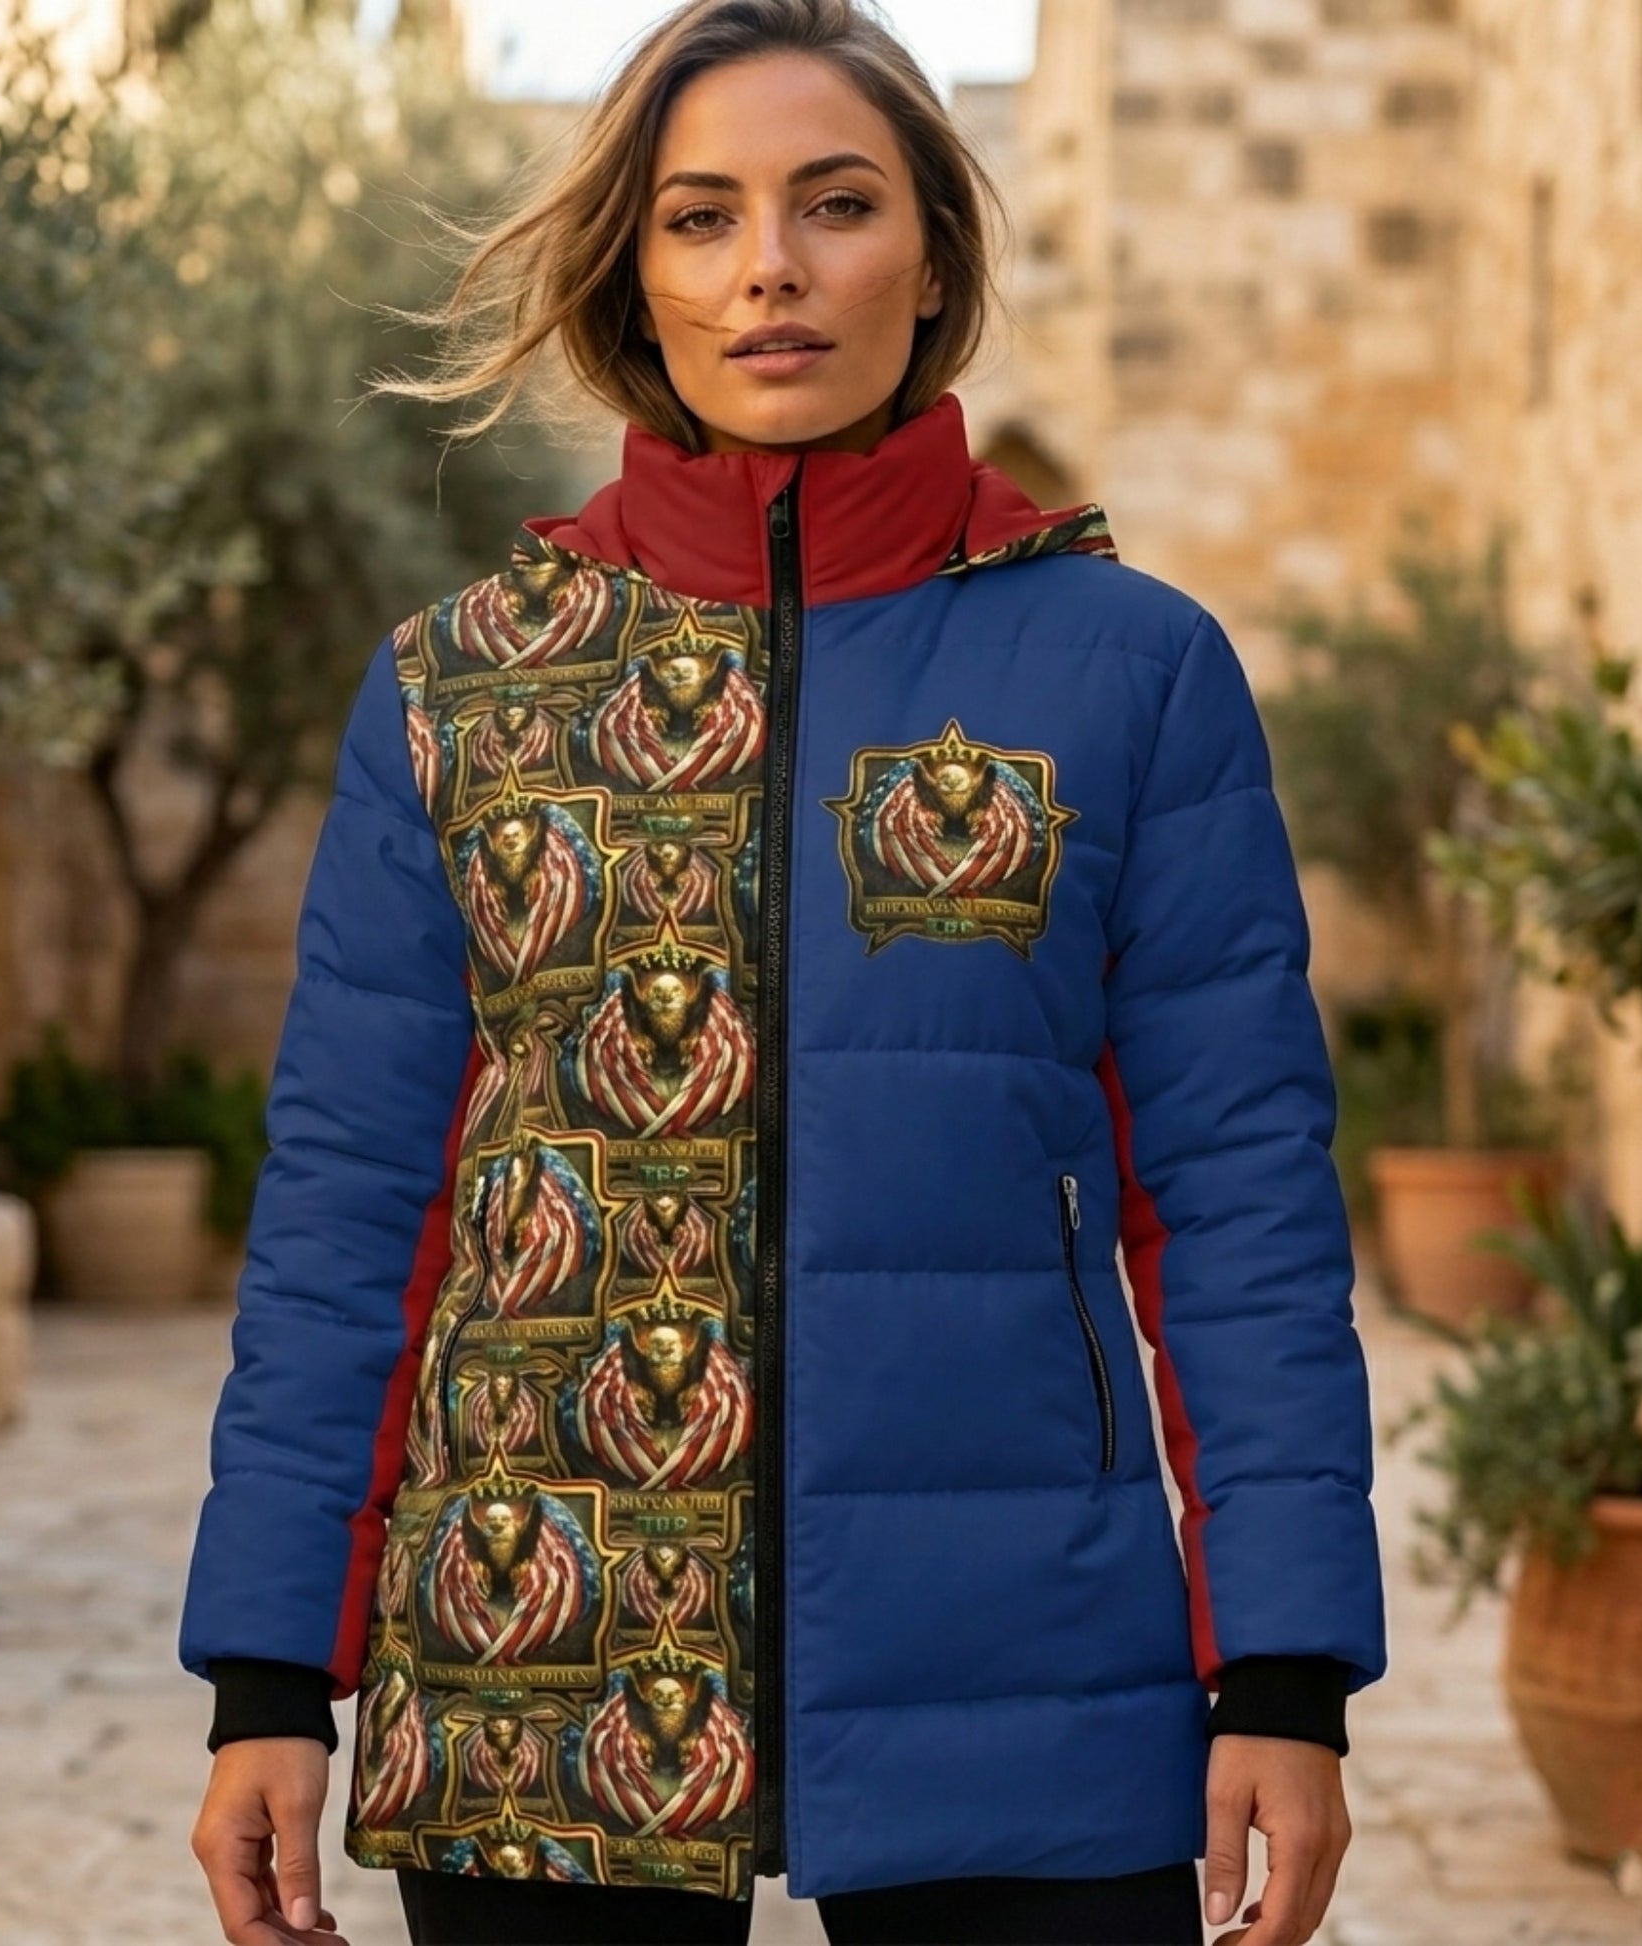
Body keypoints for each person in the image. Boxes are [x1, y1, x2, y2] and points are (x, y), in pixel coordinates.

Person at [180, 3, 1387, 1942]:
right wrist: (265, 1672)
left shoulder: (1133, 668)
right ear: (634, 278)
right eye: (700, 216)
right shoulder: (461, 687)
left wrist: (1285, 1667)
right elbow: (354, 1201)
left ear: (933, 258)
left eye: (836, 204)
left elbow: (1236, 1190)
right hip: (535, 1653)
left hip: (1027, 1656)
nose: (769, 267)